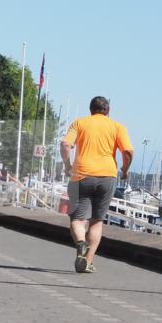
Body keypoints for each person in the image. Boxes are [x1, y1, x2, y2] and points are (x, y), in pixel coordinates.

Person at [60, 96, 133, 274]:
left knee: (77, 219)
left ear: (90, 109)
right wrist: (124, 170)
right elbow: (128, 152)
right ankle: (87, 261)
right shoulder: (117, 126)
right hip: (106, 176)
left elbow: (65, 144)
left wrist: (67, 164)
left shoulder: (80, 123)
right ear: (107, 111)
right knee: (96, 221)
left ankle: (80, 242)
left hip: (81, 176)